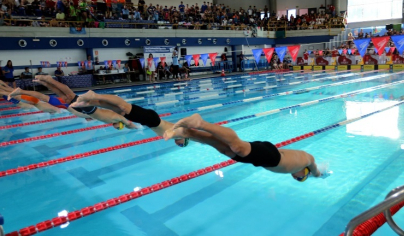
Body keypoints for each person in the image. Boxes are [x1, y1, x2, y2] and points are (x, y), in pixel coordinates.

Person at [71, 92, 326, 182]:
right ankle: (198, 124)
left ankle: (192, 129)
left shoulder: (301, 159)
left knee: (222, 148)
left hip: (267, 155)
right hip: (269, 156)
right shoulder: (306, 161)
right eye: (300, 177)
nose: (298, 177)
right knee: (236, 147)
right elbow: (316, 168)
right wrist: (317, 173)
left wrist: (181, 134)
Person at [8, 75, 136, 129]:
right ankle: (46, 81)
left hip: (80, 109)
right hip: (81, 108)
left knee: (62, 95)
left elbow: (95, 116)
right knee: (66, 94)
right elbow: (129, 123)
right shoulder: (117, 118)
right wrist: (135, 127)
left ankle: (45, 81)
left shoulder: (111, 117)